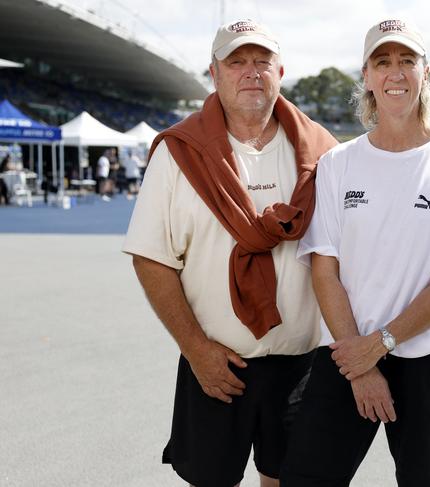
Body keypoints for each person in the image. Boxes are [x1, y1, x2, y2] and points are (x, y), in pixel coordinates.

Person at [281, 19, 430, 487]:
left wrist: (381, 344)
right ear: (366, 76)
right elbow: (325, 272)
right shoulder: (339, 164)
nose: (395, 72)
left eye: (407, 61)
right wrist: (360, 365)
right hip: (345, 353)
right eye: (383, 62)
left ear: (426, 73)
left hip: (426, 362)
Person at [122, 19, 337, 487]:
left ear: (281, 71)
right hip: (215, 362)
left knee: (288, 479)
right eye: (236, 61)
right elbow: (151, 257)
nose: (251, 72)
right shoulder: (179, 152)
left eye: (263, 61)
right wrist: (195, 349)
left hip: (300, 362)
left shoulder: (324, 154)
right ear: (214, 73)